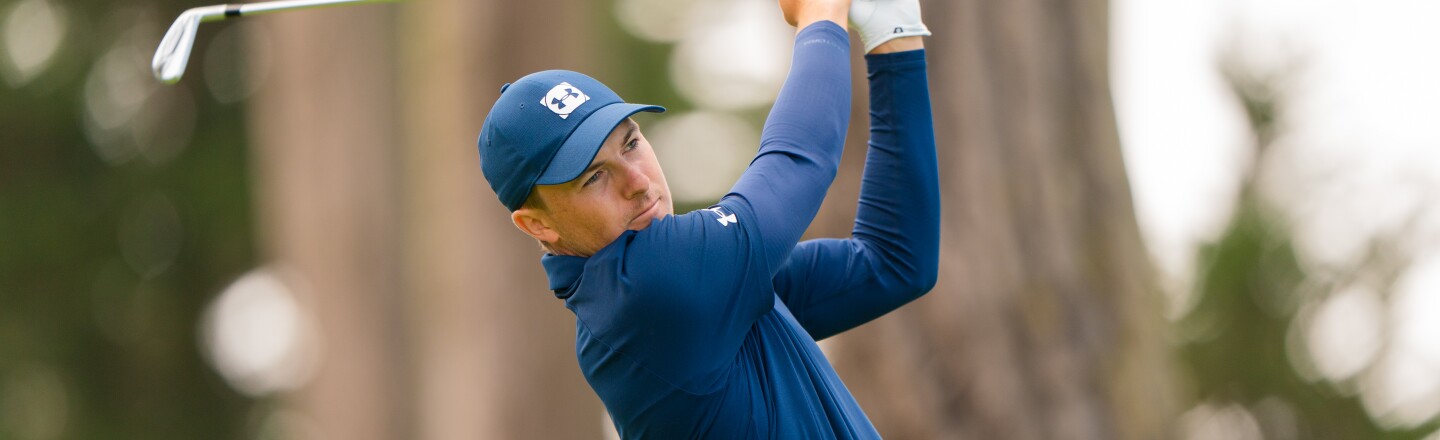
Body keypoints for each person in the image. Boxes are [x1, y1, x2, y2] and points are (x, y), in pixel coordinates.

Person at [475, 0, 937, 437]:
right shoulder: (646, 295)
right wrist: (820, 15)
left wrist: (891, 36)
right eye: (594, 176)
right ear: (538, 225)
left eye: (631, 143)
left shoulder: (699, 290)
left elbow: (894, 262)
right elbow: (800, 160)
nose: (637, 181)